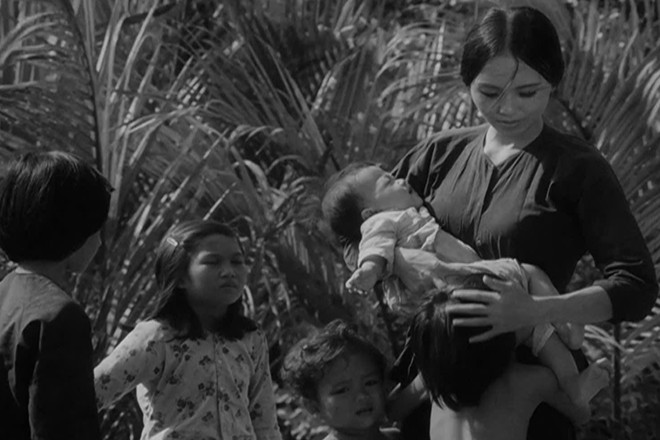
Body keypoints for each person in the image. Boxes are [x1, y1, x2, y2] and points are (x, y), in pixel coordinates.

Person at [390, 6, 657, 440]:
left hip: (530, 399)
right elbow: (357, 223)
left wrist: (537, 310)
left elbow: (637, 287)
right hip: (435, 383)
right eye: (490, 92)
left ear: (554, 82)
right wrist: (401, 263)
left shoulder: (579, 168)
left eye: (528, 92)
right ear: (467, 81)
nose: (508, 108)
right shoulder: (437, 154)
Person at [321, 162, 599, 413]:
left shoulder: (407, 213)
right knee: (531, 275)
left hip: (466, 292)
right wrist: (369, 271)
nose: (401, 179)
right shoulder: (381, 223)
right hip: (459, 288)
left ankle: (573, 384)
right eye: (388, 182)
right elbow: (372, 250)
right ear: (370, 213)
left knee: (536, 329)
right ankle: (566, 326)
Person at [94, 220, 282, 440]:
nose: (229, 272)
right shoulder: (156, 337)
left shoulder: (250, 337)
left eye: (237, 261)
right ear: (180, 277)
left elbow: (265, 422)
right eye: (212, 262)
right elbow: (88, 394)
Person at [0, 151, 111, 440]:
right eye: (97, 228)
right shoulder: (59, 317)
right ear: (75, 230)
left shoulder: (6, 293)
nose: (100, 241)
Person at [408, 287, 607, 440]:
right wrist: (593, 379)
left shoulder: (435, 383)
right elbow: (580, 413)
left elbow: (395, 408)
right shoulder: (525, 381)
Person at [280, 319, 399, 440]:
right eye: (342, 390)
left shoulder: (397, 436)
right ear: (313, 406)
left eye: (370, 383)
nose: (362, 396)